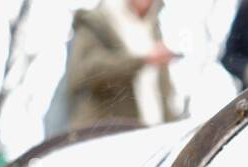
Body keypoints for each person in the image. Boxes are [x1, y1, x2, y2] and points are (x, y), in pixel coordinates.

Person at [66, 0, 177, 129]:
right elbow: (86, 71)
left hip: (151, 133)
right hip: (103, 135)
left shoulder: (153, 25)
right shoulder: (96, 21)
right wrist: (141, 60)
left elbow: (160, 88)